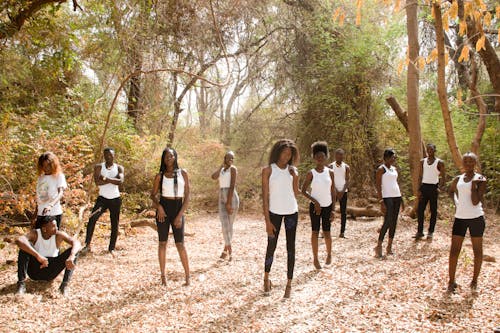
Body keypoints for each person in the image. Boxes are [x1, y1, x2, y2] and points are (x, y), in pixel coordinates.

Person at [262, 139, 300, 298]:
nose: (286, 156)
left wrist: (296, 177)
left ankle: (289, 283)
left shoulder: (293, 171)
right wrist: (267, 221)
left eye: (289, 154)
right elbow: (264, 197)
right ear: (278, 152)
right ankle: (266, 278)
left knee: (290, 247)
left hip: (291, 212)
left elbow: (296, 194)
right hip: (274, 213)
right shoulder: (268, 170)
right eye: (284, 153)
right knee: (272, 245)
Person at [447, 152, 487, 293]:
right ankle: (451, 282)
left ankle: (474, 280)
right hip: (460, 218)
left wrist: (473, 186)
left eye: (471, 162)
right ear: (462, 163)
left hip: (476, 218)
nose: (469, 164)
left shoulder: (480, 179)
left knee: (477, 251)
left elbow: (475, 201)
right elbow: (451, 191)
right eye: (466, 161)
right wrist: (457, 203)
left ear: (475, 163)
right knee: (454, 251)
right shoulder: (458, 179)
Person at [151, 148, 190, 286]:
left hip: (178, 208)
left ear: (175, 157)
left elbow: (187, 196)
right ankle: (163, 276)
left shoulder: (183, 173)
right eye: (167, 156)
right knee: (162, 243)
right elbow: (153, 195)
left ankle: (187, 276)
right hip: (163, 210)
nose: (169, 158)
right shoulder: (159, 176)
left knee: (180, 243)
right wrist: (159, 207)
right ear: (163, 159)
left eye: (172, 155)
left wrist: (180, 215)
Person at [15, 215, 81, 296]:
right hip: (35, 270)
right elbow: (19, 240)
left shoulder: (59, 235)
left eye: (56, 225)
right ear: (44, 229)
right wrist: (38, 256)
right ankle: (21, 284)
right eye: (53, 226)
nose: (56, 228)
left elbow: (77, 242)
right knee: (23, 249)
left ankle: (64, 286)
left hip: (51, 270)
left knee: (75, 251)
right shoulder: (35, 234)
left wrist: (72, 256)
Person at [82, 148, 124, 255]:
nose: (109, 157)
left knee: (115, 223)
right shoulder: (98, 167)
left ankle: (111, 248)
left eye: (111, 155)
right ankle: (87, 245)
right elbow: (97, 182)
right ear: (104, 156)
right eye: (106, 155)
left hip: (115, 199)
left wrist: (105, 178)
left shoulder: (119, 168)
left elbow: (120, 181)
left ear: (114, 155)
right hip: (102, 199)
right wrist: (111, 180)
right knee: (92, 218)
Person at [302, 142, 336, 269]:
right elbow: (303, 190)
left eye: (322, 156)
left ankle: (329, 254)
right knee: (315, 232)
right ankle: (315, 258)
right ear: (314, 158)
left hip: (327, 206)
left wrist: (333, 209)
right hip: (315, 208)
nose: (320, 158)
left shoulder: (330, 172)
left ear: (326, 157)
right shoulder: (311, 173)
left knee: (327, 232)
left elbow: (333, 191)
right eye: (317, 156)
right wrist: (315, 202)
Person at [374, 149, 404, 258]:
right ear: (386, 158)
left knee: (394, 222)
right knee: (387, 221)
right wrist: (381, 201)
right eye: (392, 157)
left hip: (397, 196)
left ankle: (389, 246)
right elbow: (378, 186)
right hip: (387, 197)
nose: (394, 159)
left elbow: (396, 183)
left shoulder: (394, 169)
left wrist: (402, 199)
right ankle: (379, 246)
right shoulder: (381, 169)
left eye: (394, 157)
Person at [211, 151, 239, 261]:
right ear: (225, 159)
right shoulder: (222, 170)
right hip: (221, 196)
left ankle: (226, 250)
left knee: (229, 225)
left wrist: (228, 202)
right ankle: (229, 248)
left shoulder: (233, 169)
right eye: (228, 158)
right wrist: (220, 166)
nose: (231, 160)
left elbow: (232, 186)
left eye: (232, 159)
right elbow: (213, 177)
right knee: (224, 224)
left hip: (231, 197)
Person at [414, 143, 446, 240]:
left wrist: (439, 187)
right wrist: (419, 189)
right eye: (428, 149)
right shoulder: (422, 161)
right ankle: (420, 232)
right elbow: (420, 176)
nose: (429, 151)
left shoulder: (439, 162)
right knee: (420, 210)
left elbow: (443, 176)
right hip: (424, 187)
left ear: (434, 150)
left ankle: (430, 232)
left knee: (433, 210)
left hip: (433, 188)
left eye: (431, 149)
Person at [35, 152, 67, 229]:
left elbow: (61, 193)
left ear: (53, 165)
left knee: (52, 238)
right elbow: (40, 197)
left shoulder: (59, 176)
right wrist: (35, 214)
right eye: (44, 166)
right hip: (41, 213)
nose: (46, 168)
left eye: (48, 165)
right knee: (39, 238)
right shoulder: (41, 178)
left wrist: (51, 205)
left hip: (54, 213)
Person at [330, 148, 350, 238]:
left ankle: (342, 232)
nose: (340, 157)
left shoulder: (346, 167)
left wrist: (342, 191)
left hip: (343, 192)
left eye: (341, 155)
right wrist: (336, 190)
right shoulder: (330, 166)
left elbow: (347, 180)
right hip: (333, 191)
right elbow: (329, 180)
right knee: (329, 210)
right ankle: (326, 231)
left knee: (343, 212)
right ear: (335, 156)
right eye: (338, 155)